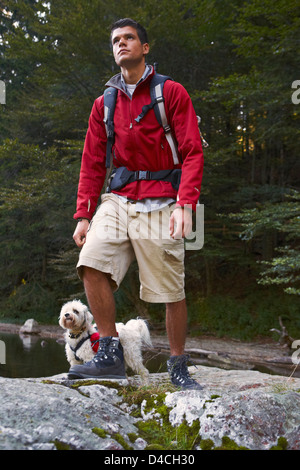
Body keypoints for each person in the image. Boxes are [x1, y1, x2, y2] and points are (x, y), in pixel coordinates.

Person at [68, 18, 204, 390]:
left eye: (129, 38)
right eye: (116, 40)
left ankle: (178, 364)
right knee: (91, 261)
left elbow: (192, 151)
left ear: (144, 48)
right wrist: (83, 214)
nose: (121, 43)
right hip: (119, 197)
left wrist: (186, 203)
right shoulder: (104, 103)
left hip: (164, 199)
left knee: (170, 288)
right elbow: (92, 161)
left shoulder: (170, 93)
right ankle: (110, 354)